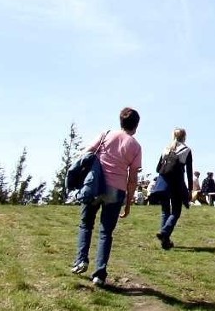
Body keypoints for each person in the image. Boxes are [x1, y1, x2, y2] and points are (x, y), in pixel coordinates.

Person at [71, 107, 142, 287]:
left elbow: (86, 153)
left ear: (121, 121)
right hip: (116, 190)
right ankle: (99, 274)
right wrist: (128, 204)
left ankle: (81, 261)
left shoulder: (106, 134)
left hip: (96, 185)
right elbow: (133, 179)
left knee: (86, 224)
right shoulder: (135, 146)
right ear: (136, 126)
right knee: (106, 232)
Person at [155, 127, 193, 250]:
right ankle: (165, 232)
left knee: (165, 211)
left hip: (164, 183)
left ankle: (165, 242)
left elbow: (158, 168)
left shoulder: (166, 148)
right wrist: (190, 189)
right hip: (176, 183)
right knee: (176, 211)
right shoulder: (186, 150)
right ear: (184, 137)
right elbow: (189, 171)